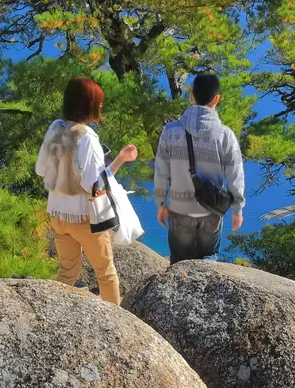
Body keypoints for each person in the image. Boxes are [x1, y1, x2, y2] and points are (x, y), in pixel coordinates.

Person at [36, 76, 138, 304]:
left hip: (57, 214)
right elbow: (93, 183)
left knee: (67, 273)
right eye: (98, 103)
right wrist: (119, 161)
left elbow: (40, 170)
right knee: (106, 274)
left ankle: (52, 312)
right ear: (88, 105)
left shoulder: (55, 128)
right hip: (84, 219)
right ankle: (117, 326)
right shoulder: (88, 138)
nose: (100, 107)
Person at [152, 71, 244, 261]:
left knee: (178, 263)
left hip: (179, 209)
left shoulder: (170, 131)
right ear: (216, 99)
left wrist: (161, 203)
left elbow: (161, 172)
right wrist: (237, 209)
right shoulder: (225, 135)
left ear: (191, 95)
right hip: (212, 210)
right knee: (209, 260)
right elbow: (235, 175)